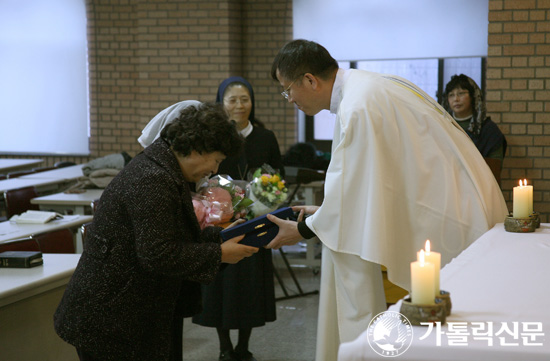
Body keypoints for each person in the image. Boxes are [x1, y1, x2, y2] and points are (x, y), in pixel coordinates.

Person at [266, 39, 509, 361]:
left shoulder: (359, 105)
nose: (289, 99)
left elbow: (354, 186)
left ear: (309, 80)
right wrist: (326, 211)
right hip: (460, 201)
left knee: (467, 325)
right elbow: (368, 180)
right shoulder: (364, 88)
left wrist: (305, 229)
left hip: (456, 217)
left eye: (287, 90)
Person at [54, 102, 259, 361]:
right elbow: (157, 253)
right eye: (216, 160)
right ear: (197, 149)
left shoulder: (163, 169)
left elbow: (173, 238)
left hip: (131, 312)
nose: (215, 170)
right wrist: (218, 253)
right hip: (111, 318)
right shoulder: (152, 178)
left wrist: (221, 236)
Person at [192, 76, 282, 361]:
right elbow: (203, 178)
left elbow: (277, 176)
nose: (239, 105)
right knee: (221, 285)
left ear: (252, 103)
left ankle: (243, 347)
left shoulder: (265, 137)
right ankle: (224, 347)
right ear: (222, 104)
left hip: (256, 220)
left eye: (245, 99)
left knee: (249, 286)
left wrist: (265, 196)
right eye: (232, 99)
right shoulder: (214, 138)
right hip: (220, 223)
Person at [442, 74, 507, 185]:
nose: (456, 99)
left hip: (480, 188)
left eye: (461, 93)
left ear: (473, 96)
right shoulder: (443, 126)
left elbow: (494, 169)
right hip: (448, 187)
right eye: (451, 95)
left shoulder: (489, 131)